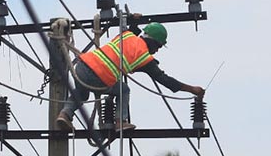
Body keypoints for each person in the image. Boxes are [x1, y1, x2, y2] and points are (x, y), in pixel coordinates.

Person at [55, 21, 205, 132]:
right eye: (158, 46)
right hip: (99, 77)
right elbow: (165, 80)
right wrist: (192, 89)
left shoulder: (127, 36)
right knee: (123, 89)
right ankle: (120, 122)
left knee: (81, 93)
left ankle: (65, 114)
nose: (157, 50)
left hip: (82, 66)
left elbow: (132, 25)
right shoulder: (144, 58)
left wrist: (135, 18)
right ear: (152, 41)